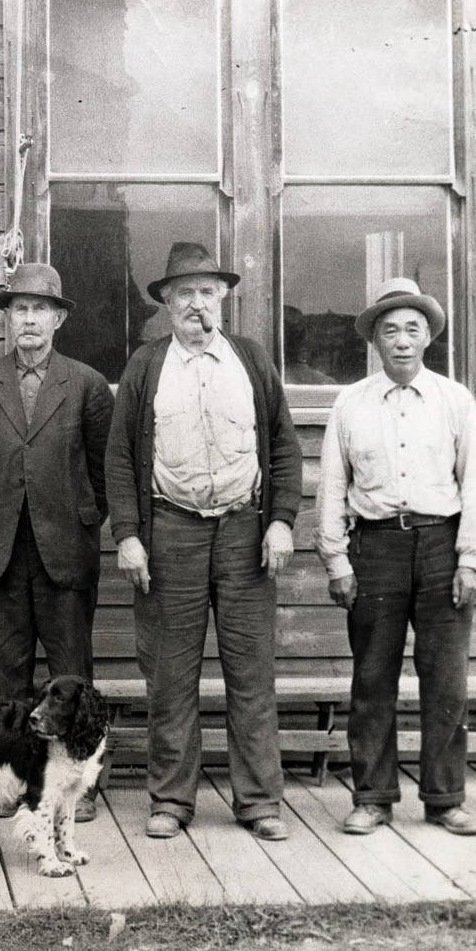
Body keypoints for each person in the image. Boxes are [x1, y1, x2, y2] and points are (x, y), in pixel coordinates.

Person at [105, 242, 301, 842]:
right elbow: (119, 458)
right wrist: (129, 536)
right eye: (184, 293)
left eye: (208, 292)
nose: (197, 304)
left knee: (251, 672)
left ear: (224, 299)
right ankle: (171, 800)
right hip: (171, 533)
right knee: (169, 675)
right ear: (165, 302)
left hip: (245, 532)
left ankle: (260, 802)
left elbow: (285, 447)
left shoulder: (250, 359)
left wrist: (282, 520)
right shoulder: (146, 365)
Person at [316, 277, 476, 836]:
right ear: (374, 339)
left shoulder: (454, 400)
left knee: (446, 681)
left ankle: (444, 799)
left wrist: (471, 559)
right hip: (376, 549)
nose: (401, 340)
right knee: (372, 678)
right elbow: (329, 486)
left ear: (427, 338)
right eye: (389, 330)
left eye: (412, 329)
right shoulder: (350, 403)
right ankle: (372, 796)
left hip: (442, 545)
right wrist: (337, 561)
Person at [0, 262, 113, 822]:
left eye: (39, 309)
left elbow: (103, 469)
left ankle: (80, 786)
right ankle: (17, 782)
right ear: (7, 318)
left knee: (72, 667)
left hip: (64, 547)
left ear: (58, 319)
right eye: (19, 309)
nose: (28, 319)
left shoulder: (88, 384)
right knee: (8, 671)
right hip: (0, 546)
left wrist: (80, 517)